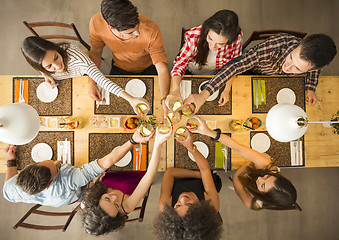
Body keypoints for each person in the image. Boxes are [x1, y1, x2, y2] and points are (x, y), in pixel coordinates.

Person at [3, 128, 152, 207]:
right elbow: (108, 161)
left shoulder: (13, 187)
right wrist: (133, 140)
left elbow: (9, 181)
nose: (58, 161)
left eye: (51, 161)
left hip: (55, 200)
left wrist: (11, 160)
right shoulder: (71, 179)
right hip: (77, 194)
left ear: (29, 167)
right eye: (57, 168)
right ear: (49, 185)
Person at [184, 33, 337, 110]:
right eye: (291, 57)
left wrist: (310, 88)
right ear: (299, 45)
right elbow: (235, 66)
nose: (288, 67)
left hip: (272, 80)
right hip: (249, 70)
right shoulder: (274, 47)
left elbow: (315, 72)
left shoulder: (316, 64)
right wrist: (204, 95)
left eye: (297, 68)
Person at [191, 116, 297, 210]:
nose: (260, 179)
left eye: (263, 186)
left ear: (264, 196)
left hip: (240, 177)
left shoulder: (252, 203)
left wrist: (251, 164)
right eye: (267, 177)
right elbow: (239, 148)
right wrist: (208, 132)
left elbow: (236, 178)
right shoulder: (267, 166)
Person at [81, 126, 172, 236]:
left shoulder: (89, 200)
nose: (114, 196)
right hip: (138, 167)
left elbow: (97, 172)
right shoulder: (127, 206)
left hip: (115, 163)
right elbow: (149, 176)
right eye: (116, 205)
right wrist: (158, 143)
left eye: (107, 198)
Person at [21, 36, 148, 114]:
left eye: (56, 57)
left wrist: (131, 99)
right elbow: (42, 70)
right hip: (70, 84)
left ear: (55, 48)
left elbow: (102, 81)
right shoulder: (43, 67)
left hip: (81, 77)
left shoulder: (77, 59)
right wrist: (46, 76)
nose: (57, 66)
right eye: (49, 66)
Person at [89, 0, 171, 116]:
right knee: (117, 110)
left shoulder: (152, 29)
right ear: (112, 28)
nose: (137, 33)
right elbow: (96, 53)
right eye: (131, 32)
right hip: (119, 66)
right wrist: (91, 83)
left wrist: (164, 99)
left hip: (149, 67)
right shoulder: (96, 23)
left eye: (137, 27)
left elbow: (162, 68)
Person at [153, 131, 223, 240]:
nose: (182, 199)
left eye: (177, 205)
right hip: (203, 170)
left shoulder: (165, 208)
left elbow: (170, 172)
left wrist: (198, 175)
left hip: (181, 171)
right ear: (201, 210)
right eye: (190, 205)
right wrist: (191, 147)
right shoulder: (212, 206)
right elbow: (205, 169)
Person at [167, 9, 243, 107]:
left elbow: (233, 65)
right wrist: (175, 90)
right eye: (210, 38)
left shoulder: (237, 38)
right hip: (191, 71)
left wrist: (226, 90)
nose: (212, 47)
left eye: (220, 44)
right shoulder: (194, 36)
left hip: (217, 75)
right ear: (207, 30)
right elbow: (180, 64)